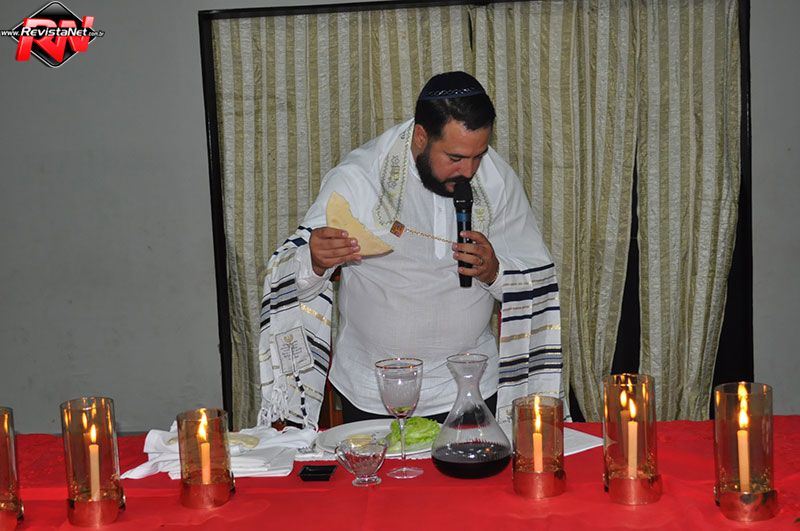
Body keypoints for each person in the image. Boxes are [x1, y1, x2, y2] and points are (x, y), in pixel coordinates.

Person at [259, 72, 564, 431]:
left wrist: (495, 272)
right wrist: (315, 260)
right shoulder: (360, 177)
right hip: (373, 394)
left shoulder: (496, 179)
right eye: (455, 157)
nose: (468, 171)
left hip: (472, 387)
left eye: (478, 156)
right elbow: (287, 271)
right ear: (421, 136)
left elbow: (538, 276)